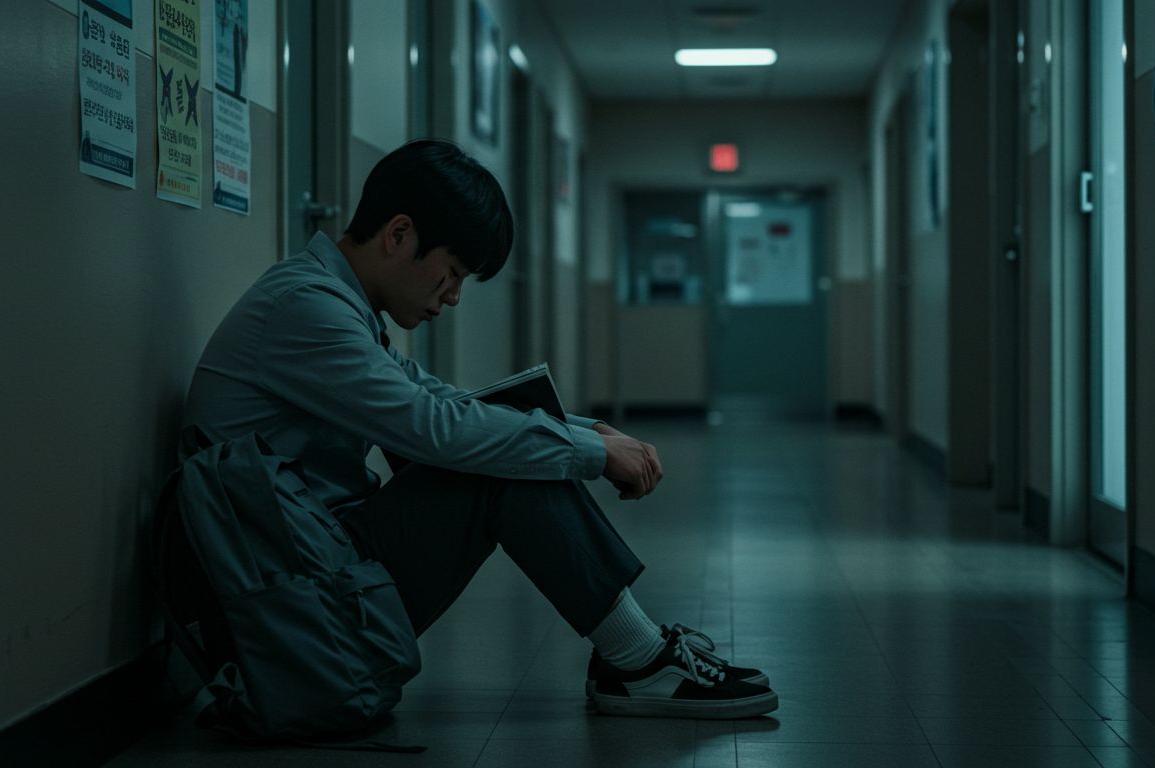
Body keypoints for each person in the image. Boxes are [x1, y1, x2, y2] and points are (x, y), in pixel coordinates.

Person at [181, 139, 777, 719]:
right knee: (498, 469)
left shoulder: (337, 305)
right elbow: (434, 426)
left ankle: (637, 654)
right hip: (285, 605)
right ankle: (640, 660)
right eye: (452, 273)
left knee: (511, 449)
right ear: (399, 235)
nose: (455, 296)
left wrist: (587, 430)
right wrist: (589, 452)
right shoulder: (307, 311)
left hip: (316, 566)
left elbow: (439, 400)